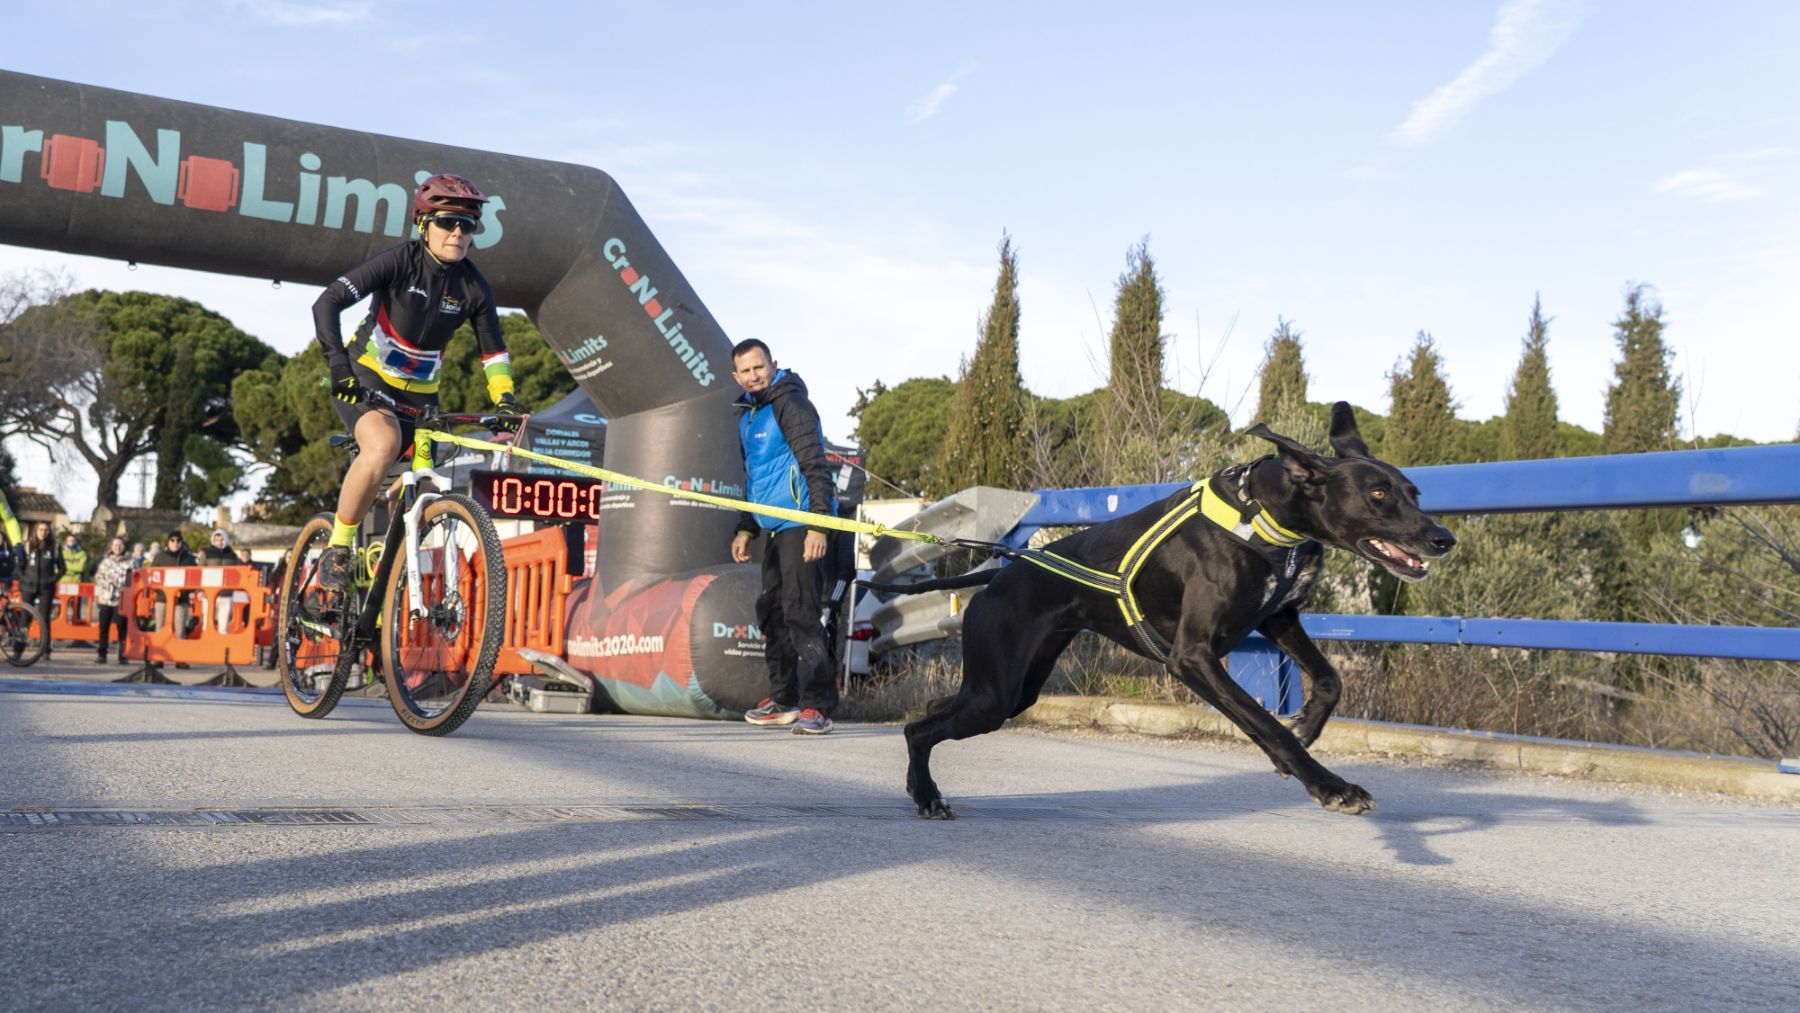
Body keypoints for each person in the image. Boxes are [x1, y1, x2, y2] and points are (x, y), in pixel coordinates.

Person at [311, 173, 521, 591]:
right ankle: (337, 549)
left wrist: (506, 402)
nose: (458, 233)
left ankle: (386, 570)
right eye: (447, 222)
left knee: (423, 485)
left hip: (423, 393)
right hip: (368, 375)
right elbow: (327, 301)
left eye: (468, 225)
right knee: (384, 445)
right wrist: (339, 370)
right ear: (425, 225)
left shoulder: (474, 287)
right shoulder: (399, 261)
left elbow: (493, 353)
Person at [728, 339, 838, 735]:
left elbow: (816, 465)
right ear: (736, 376)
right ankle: (784, 700)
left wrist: (819, 525)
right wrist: (746, 526)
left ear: (773, 365)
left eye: (760, 367)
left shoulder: (791, 404)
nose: (755, 376)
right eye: (747, 371)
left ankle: (817, 706)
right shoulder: (747, 417)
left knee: (801, 612)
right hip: (773, 527)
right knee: (772, 613)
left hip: (803, 524)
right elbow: (755, 479)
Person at [18, 521, 63, 661]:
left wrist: (52, 580)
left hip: (46, 588)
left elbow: (62, 568)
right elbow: (19, 566)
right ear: (36, 531)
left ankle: (45, 651)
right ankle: (18, 650)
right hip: (28, 587)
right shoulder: (27, 545)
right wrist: (25, 578)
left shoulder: (54, 547)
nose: (43, 532)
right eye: (41, 530)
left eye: (46, 530)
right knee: (25, 618)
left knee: (44, 618)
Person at [92, 536, 133, 664]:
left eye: (120, 545)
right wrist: (107, 585)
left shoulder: (129, 562)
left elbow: (133, 578)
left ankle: (122, 654)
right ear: (111, 547)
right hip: (106, 598)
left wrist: (123, 587)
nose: (117, 547)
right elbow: (98, 577)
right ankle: (102, 654)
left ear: (124, 547)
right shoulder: (105, 562)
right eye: (115, 545)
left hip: (121, 599)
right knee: (104, 627)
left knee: (122, 627)